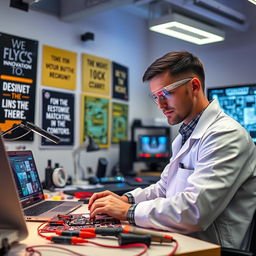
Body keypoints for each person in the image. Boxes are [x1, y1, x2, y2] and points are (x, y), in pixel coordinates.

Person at [88, 51, 256, 249]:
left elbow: (195, 211)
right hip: (184, 241)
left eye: (167, 93)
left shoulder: (226, 135)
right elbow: (163, 189)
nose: (160, 104)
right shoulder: (184, 136)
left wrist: (127, 211)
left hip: (211, 250)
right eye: (156, 96)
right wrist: (125, 199)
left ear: (194, 86)